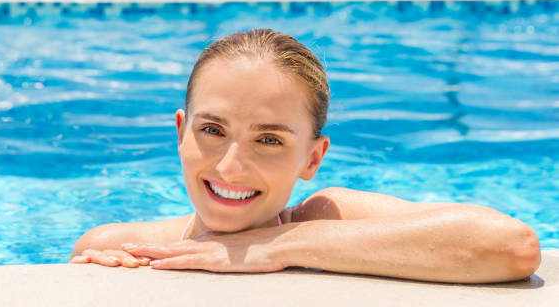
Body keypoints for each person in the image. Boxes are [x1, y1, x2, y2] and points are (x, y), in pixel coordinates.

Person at [70, 28, 541, 283]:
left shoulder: (326, 215)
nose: (230, 166)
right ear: (181, 132)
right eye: (212, 130)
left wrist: (275, 246)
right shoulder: (119, 244)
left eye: (269, 139)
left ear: (312, 159)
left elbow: (510, 246)